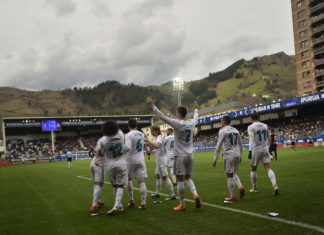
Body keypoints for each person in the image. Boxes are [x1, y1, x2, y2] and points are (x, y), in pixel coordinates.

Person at [146, 96, 201, 211]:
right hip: (190, 155)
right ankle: (195, 194)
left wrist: (152, 105)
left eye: (176, 112)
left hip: (180, 156)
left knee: (180, 179)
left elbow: (162, 116)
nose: (175, 114)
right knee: (188, 178)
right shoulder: (191, 123)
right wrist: (196, 109)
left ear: (179, 113)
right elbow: (196, 116)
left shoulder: (177, 123)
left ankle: (182, 204)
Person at [96, 121, 129, 215]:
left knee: (114, 185)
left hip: (110, 165)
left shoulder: (103, 140)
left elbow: (101, 153)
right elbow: (126, 147)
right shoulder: (120, 137)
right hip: (121, 163)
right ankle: (116, 206)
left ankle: (119, 205)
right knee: (120, 186)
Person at [213, 116, 245, 202]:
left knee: (229, 175)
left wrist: (215, 159)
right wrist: (241, 155)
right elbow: (241, 144)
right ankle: (240, 186)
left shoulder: (222, 131)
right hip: (237, 154)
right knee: (233, 173)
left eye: (221, 121)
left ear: (223, 122)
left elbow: (218, 146)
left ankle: (232, 196)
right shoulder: (236, 130)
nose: (221, 123)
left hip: (229, 155)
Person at [248, 112, 279, 196]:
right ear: (258, 117)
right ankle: (274, 185)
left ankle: (254, 188)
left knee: (253, 168)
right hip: (265, 149)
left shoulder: (251, 127)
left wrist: (250, 151)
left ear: (251, 118)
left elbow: (251, 139)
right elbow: (269, 138)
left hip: (256, 150)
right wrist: (267, 148)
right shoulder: (265, 125)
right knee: (268, 168)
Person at [145, 126, 176, 202]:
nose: (151, 133)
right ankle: (157, 193)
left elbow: (157, 145)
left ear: (156, 131)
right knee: (157, 176)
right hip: (159, 160)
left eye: (152, 131)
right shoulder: (158, 137)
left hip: (161, 161)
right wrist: (148, 143)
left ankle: (172, 195)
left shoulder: (159, 137)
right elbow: (156, 146)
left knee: (165, 177)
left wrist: (148, 140)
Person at [125, 119, 148, 210]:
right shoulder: (142, 134)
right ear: (136, 125)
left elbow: (127, 147)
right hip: (141, 159)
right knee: (141, 182)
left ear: (128, 125)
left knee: (128, 179)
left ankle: (131, 200)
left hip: (131, 160)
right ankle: (143, 203)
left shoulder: (128, 135)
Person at [89, 145, 105, 216]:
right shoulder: (105, 142)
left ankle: (98, 201)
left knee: (96, 184)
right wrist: (97, 159)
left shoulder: (101, 142)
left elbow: (94, 149)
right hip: (98, 164)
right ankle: (94, 206)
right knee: (99, 184)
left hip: (92, 164)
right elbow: (97, 150)